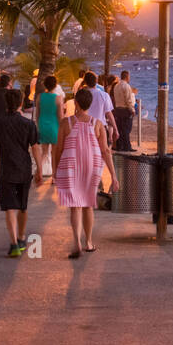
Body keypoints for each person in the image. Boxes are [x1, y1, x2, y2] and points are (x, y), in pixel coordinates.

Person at [54, 88, 116, 258]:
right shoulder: (97, 124)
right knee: (88, 204)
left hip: (70, 165)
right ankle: (88, 242)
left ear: (76, 103)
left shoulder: (66, 123)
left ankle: (76, 242)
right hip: (92, 166)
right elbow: (105, 151)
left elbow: (58, 149)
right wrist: (114, 176)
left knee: (75, 206)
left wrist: (55, 171)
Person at [0, 90, 39, 257]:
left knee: (9, 206)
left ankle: (14, 242)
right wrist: (40, 169)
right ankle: (22, 237)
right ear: (21, 103)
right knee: (23, 206)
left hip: (7, 169)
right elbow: (35, 147)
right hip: (24, 168)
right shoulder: (28, 124)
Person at [33, 74, 64, 184]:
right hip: (54, 126)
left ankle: (39, 173)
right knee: (54, 153)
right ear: (55, 85)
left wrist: (38, 125)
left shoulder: (39, 97)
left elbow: (37, 114)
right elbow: (60, 116)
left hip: (43, 125)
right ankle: (54, 178)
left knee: (44, 153)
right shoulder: (58, 98)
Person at [81, 72, 117, 146]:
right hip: (101, 128)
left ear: (85, 81)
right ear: (96, 81)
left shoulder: (81, 95)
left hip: (85, 127)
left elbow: (77, 112)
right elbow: (109, 113)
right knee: (102, 152)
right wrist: (115, 129)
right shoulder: (104, 95)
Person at [113, 71, 135, 151]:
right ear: (127, 77)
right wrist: (132, 110)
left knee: (119, 128)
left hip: (118, 109)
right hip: (125, 110)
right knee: (126, 129)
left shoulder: (116, 86)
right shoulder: (126, 86)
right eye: (129, 77)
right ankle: (127, 147)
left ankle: (119, 146)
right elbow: (128, 100)